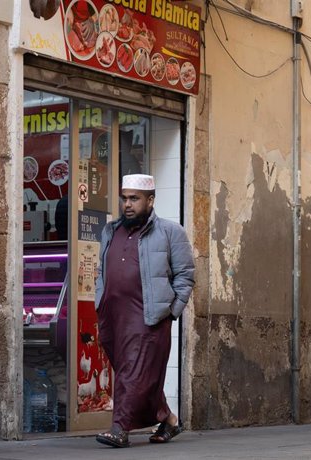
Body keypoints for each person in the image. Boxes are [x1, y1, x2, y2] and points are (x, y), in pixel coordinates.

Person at [94, 174, 195, 448]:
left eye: (134, 199)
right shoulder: (110, 231)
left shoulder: (170, 232)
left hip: (149, 316)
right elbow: (102, 269)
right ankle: (169, 420)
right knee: (135, 373)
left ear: (150, 200)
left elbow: (186, 275)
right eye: (124, 198)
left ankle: (120, 429)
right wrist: (99, 300)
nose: (127, 204)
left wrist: (171, 311)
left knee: (132, 371)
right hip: (113, 315)